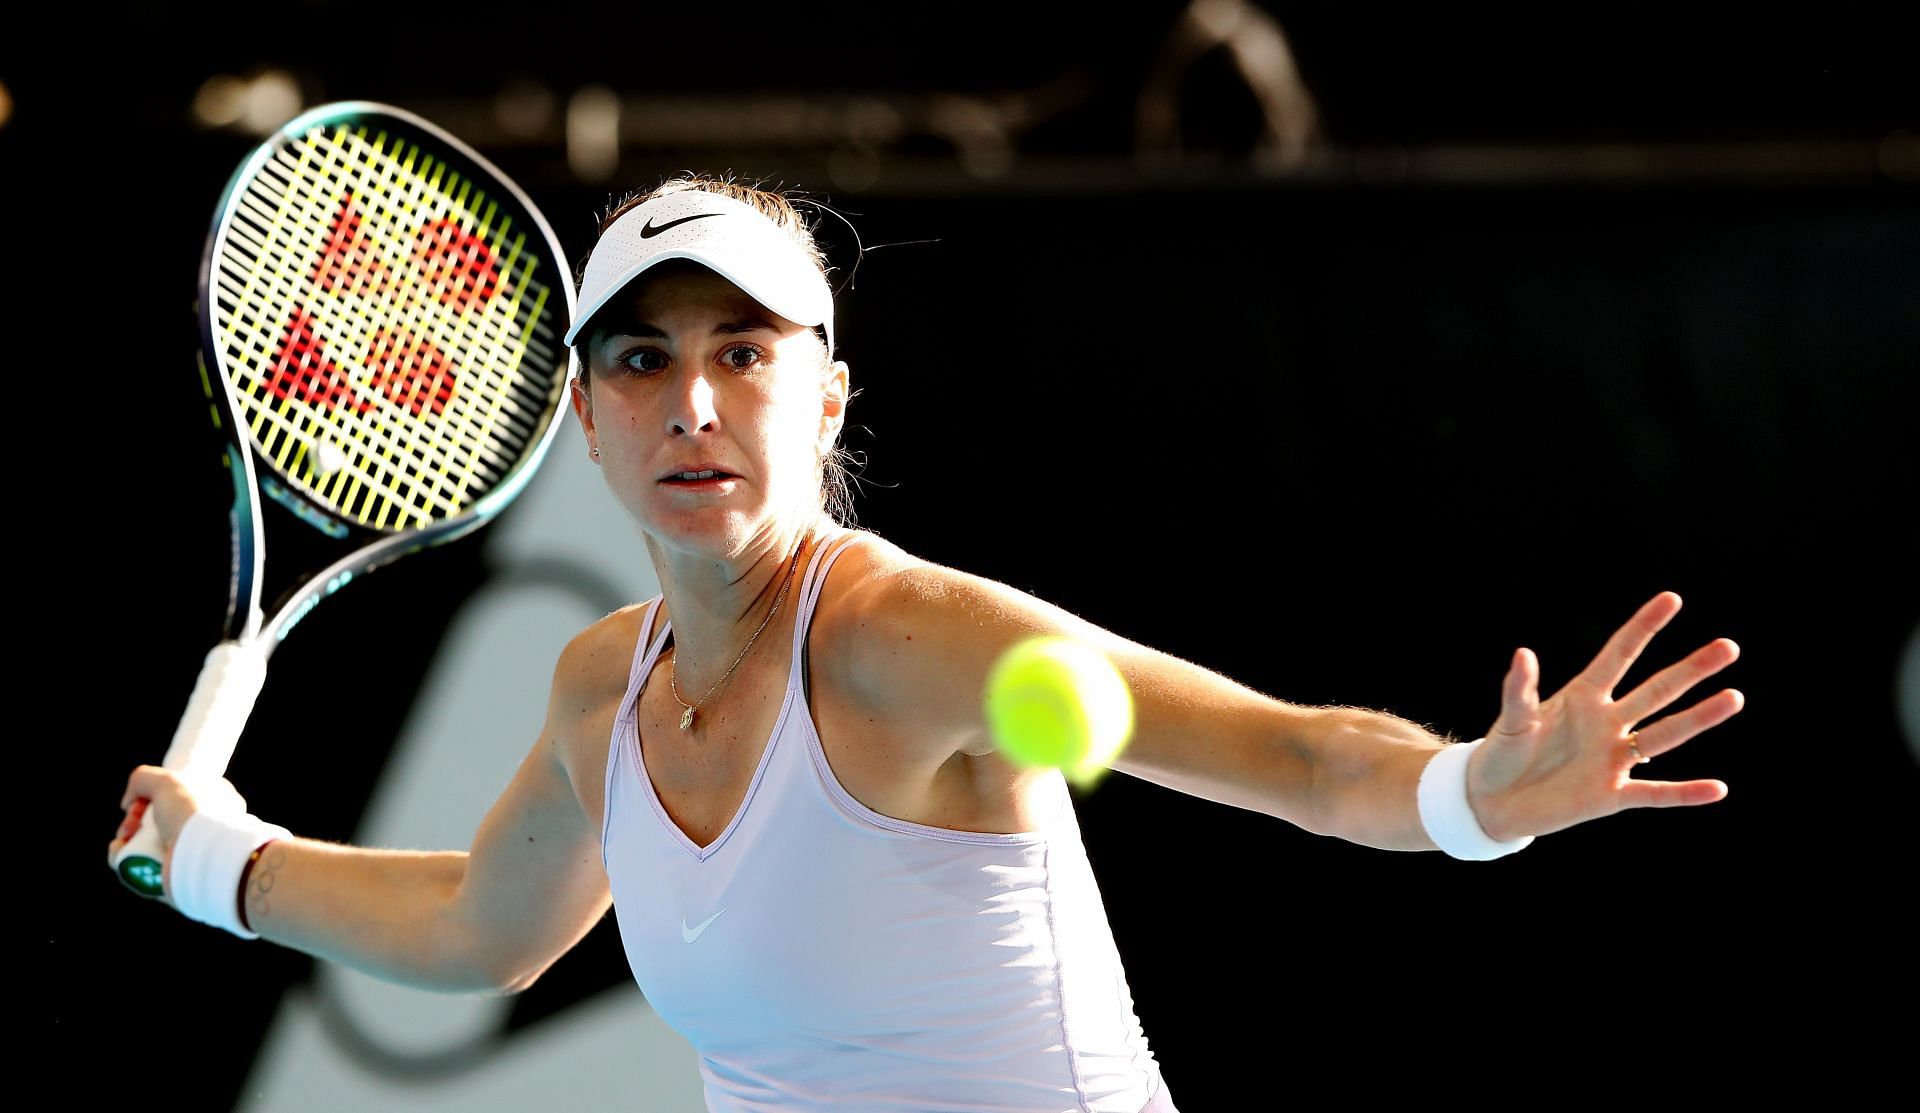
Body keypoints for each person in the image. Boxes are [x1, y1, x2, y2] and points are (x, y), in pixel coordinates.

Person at [111, 176, 1744, 1112]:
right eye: (640, 358)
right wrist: (214, 863)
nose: (693, 400)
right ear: (588, 425)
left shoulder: (914, 642)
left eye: (744, 351)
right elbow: (482, 926)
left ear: (823, 397)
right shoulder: (602, 683)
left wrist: (1473, 792)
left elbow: (1303, 752)